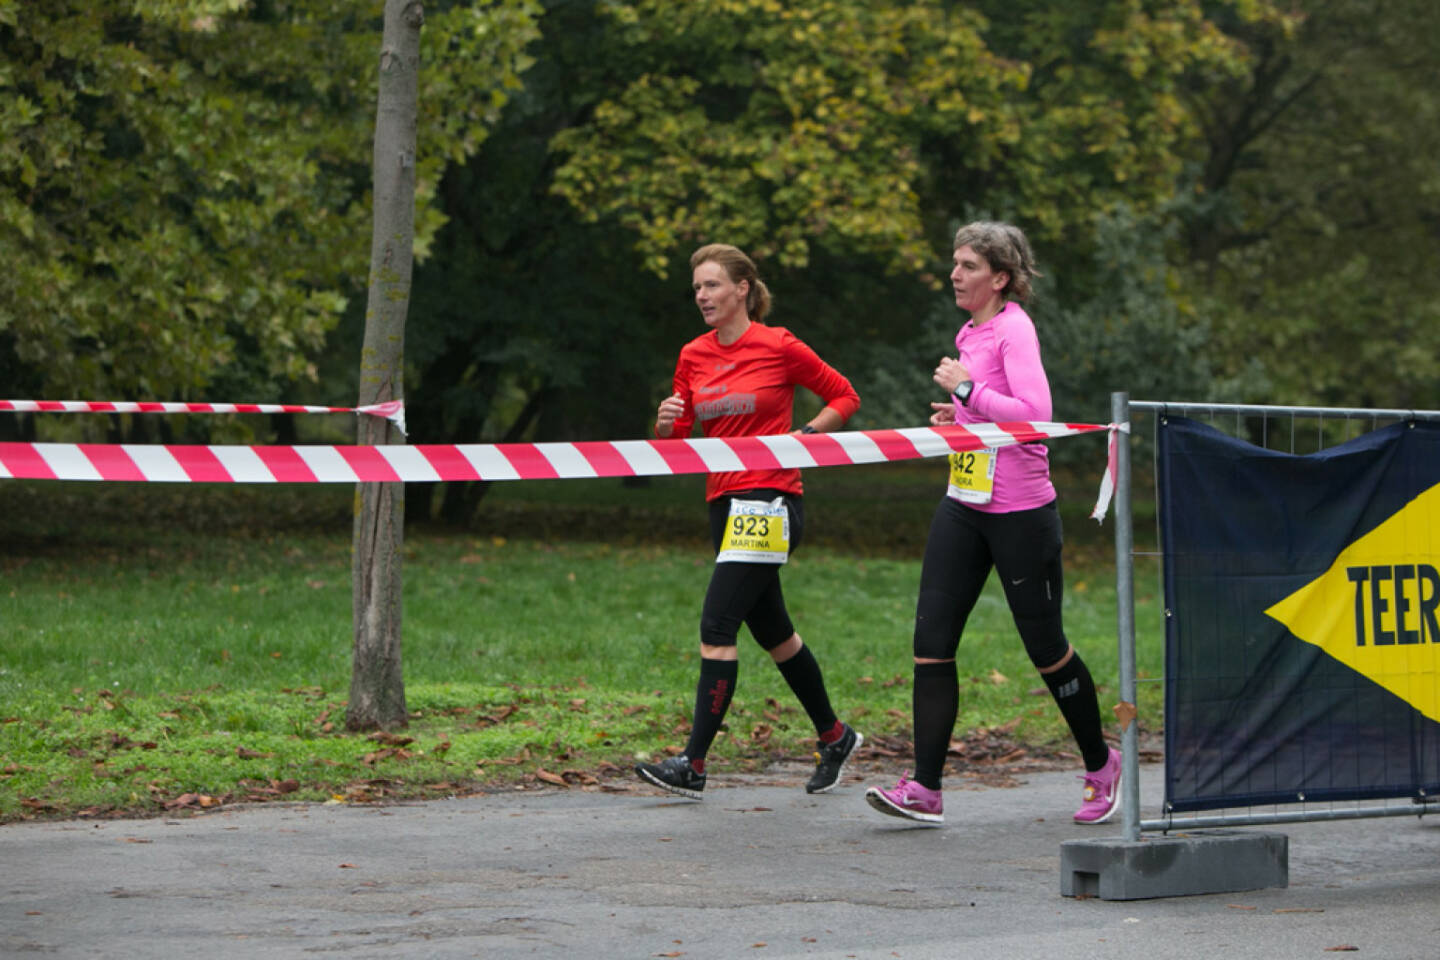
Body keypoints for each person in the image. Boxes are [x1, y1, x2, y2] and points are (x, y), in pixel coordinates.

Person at [864, 221, 1121, 826]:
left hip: (1020, 513)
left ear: (1000, 278)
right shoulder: (970, 330)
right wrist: (956, 415)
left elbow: (1035, 414)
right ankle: (925, 789)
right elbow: (988, 411)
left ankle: (1100, 763)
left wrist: (968, 389)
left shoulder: (1014, 330)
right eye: (954, 264)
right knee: (931, 646)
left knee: (1046, 649)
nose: (955, 274)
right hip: (963, 504)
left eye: (968, 266)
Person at [634, 242, 865, 800]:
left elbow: (844, 395)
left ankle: (693, 763)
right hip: (722, 502)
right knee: (774, 633)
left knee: (717, 626)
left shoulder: (777, 344)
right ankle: (835, 736)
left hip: (770, 499)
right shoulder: (693, 354)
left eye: (712, 286)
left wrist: (805, 438)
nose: (702, 296)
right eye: (696, 289)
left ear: (742, 289)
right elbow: (684, 432)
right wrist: (667, 421)